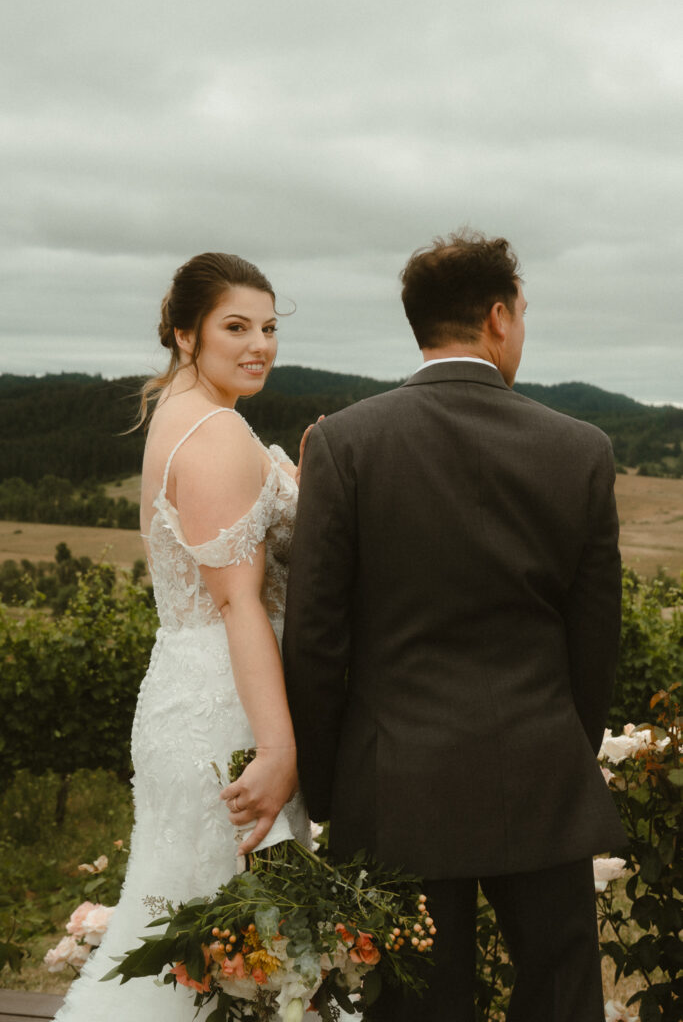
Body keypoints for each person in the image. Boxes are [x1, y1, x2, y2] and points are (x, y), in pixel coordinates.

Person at [283, 230, 627, 1022]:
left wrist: (334, 785)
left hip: (393, 784)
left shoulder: (345, 442)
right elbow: (593, 638)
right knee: (560, 996)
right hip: (540, 772)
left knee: (414, 1008)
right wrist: (559, 744)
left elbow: (314, 637)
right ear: (498, 317)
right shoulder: (581, 448)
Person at [54, 252, 312, 1022]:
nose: (258, 344)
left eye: (267, 327)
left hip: (186, 686)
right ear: (184, 333)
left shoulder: (180, 414)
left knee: (194, 941)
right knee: (237, 948)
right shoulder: (217, 433)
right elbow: (238, 605)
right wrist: (277, 750)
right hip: (230, 705)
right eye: (235, 326)